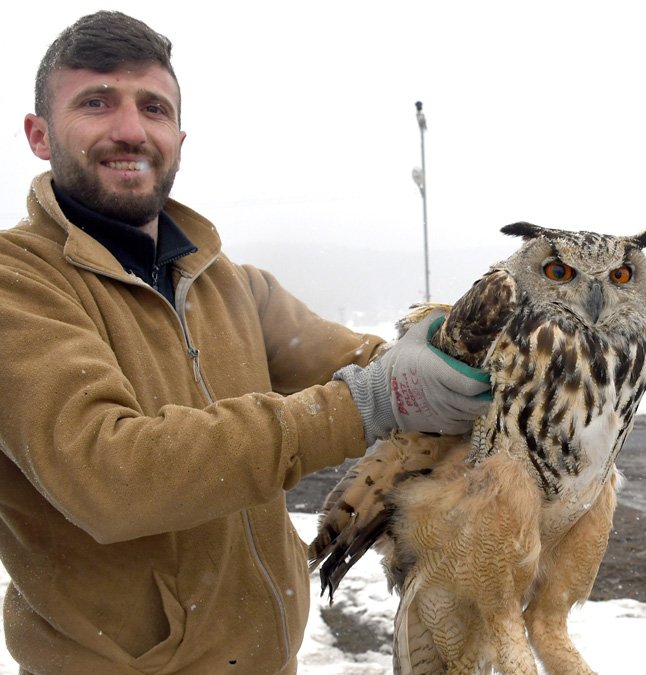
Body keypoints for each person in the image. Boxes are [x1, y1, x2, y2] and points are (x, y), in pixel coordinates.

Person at [0, 11, 490, 673]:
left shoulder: (229, 284)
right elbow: (111, 475)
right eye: (95, 103)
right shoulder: (18, 284)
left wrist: (448, 356)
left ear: (178, 135)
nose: (130, 129)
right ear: (39, 134)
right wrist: (369, 401)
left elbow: (355, 359)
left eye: (153, 107)